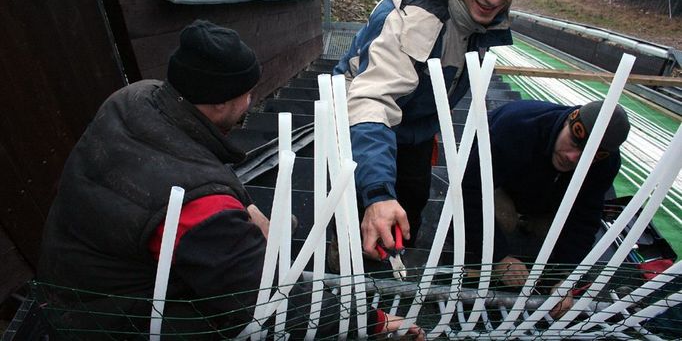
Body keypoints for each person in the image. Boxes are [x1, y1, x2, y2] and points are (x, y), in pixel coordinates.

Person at [38, 20, 423, 339]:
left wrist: (245, 206)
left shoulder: (137, 98)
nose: (252, 100)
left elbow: (195, 164)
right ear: (221, 102)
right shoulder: (199, 209)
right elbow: (268, 301)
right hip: (113, 321)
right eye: (248, 92)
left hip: (73, 277)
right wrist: (376, 324)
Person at [333, 0, 531, 258]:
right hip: (361, 116)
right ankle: (345, 259)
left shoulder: (471, 11)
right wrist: (378, 193)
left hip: (416, 124)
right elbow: (371, 100)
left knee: (411, 197)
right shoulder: (420, 19)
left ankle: (392, 260)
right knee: (360, 201)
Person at [461, 99, 630, 317]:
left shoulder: (606, 163)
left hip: (548, 196)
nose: (572, 158)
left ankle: (530, 223)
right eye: (574, 143)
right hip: (502, 185)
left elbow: (585, 219)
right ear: (569, 121)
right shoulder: (515, 126)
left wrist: (562, 278)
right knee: (505, 220)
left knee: (549, 230)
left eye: (586, 157)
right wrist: (499, 256)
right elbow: (471, 191)